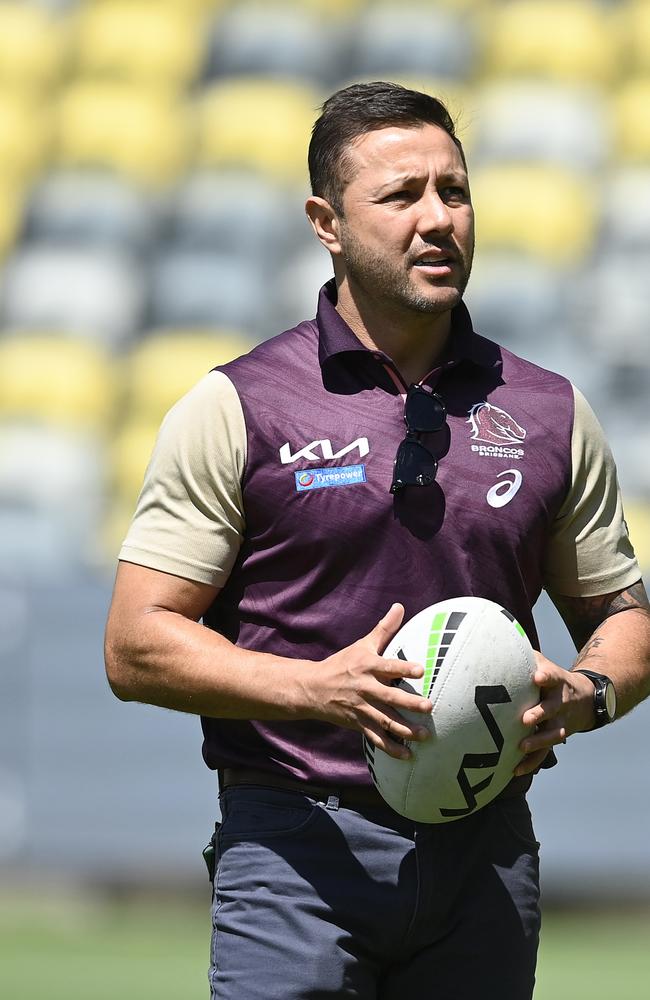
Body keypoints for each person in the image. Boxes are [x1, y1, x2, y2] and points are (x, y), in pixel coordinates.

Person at [104, 82, 650, 999]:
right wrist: (315, 689)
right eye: (401, 196)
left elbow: (624, 620)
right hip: (295, 851)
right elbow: (135, 644)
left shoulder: (551, 409)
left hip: (488, 854)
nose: (438, 219)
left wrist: (584, 695)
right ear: (327, 221)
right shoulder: (238, 405)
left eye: (455, 191)